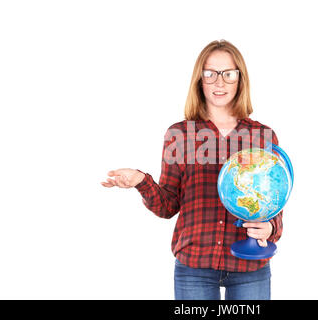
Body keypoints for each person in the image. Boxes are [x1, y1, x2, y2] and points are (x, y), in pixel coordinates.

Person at [101, 39, 283, 300]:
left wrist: (271, 229)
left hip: (249, 266)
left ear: (240, 79)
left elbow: (275, 203)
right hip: (194, 265)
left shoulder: (263, 137)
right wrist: (141, 181)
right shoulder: (180, 135)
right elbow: (167, 206)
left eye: (228, 74)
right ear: (200, 79)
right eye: (210, 73)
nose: (219, 82)